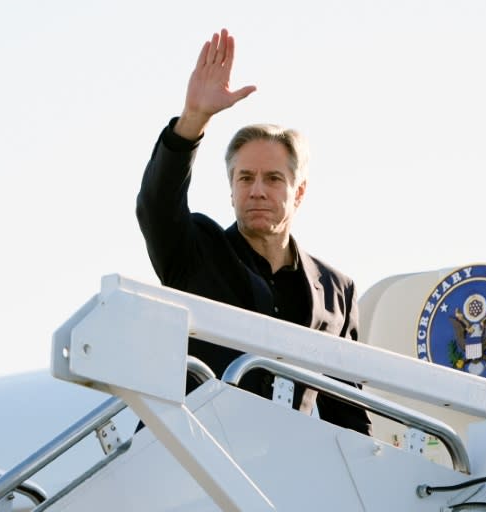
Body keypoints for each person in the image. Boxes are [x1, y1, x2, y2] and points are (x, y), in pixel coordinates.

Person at [136, 28, 371, 435]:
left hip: (280, 474)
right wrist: (193, 120)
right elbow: (156, 206)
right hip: (192, 466)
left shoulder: (337, 290)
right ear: (231, 190)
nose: (257, 191)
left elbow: (347, 411)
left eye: (272, 179)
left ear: (298, 192)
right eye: (245, 178)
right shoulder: (195, 252)